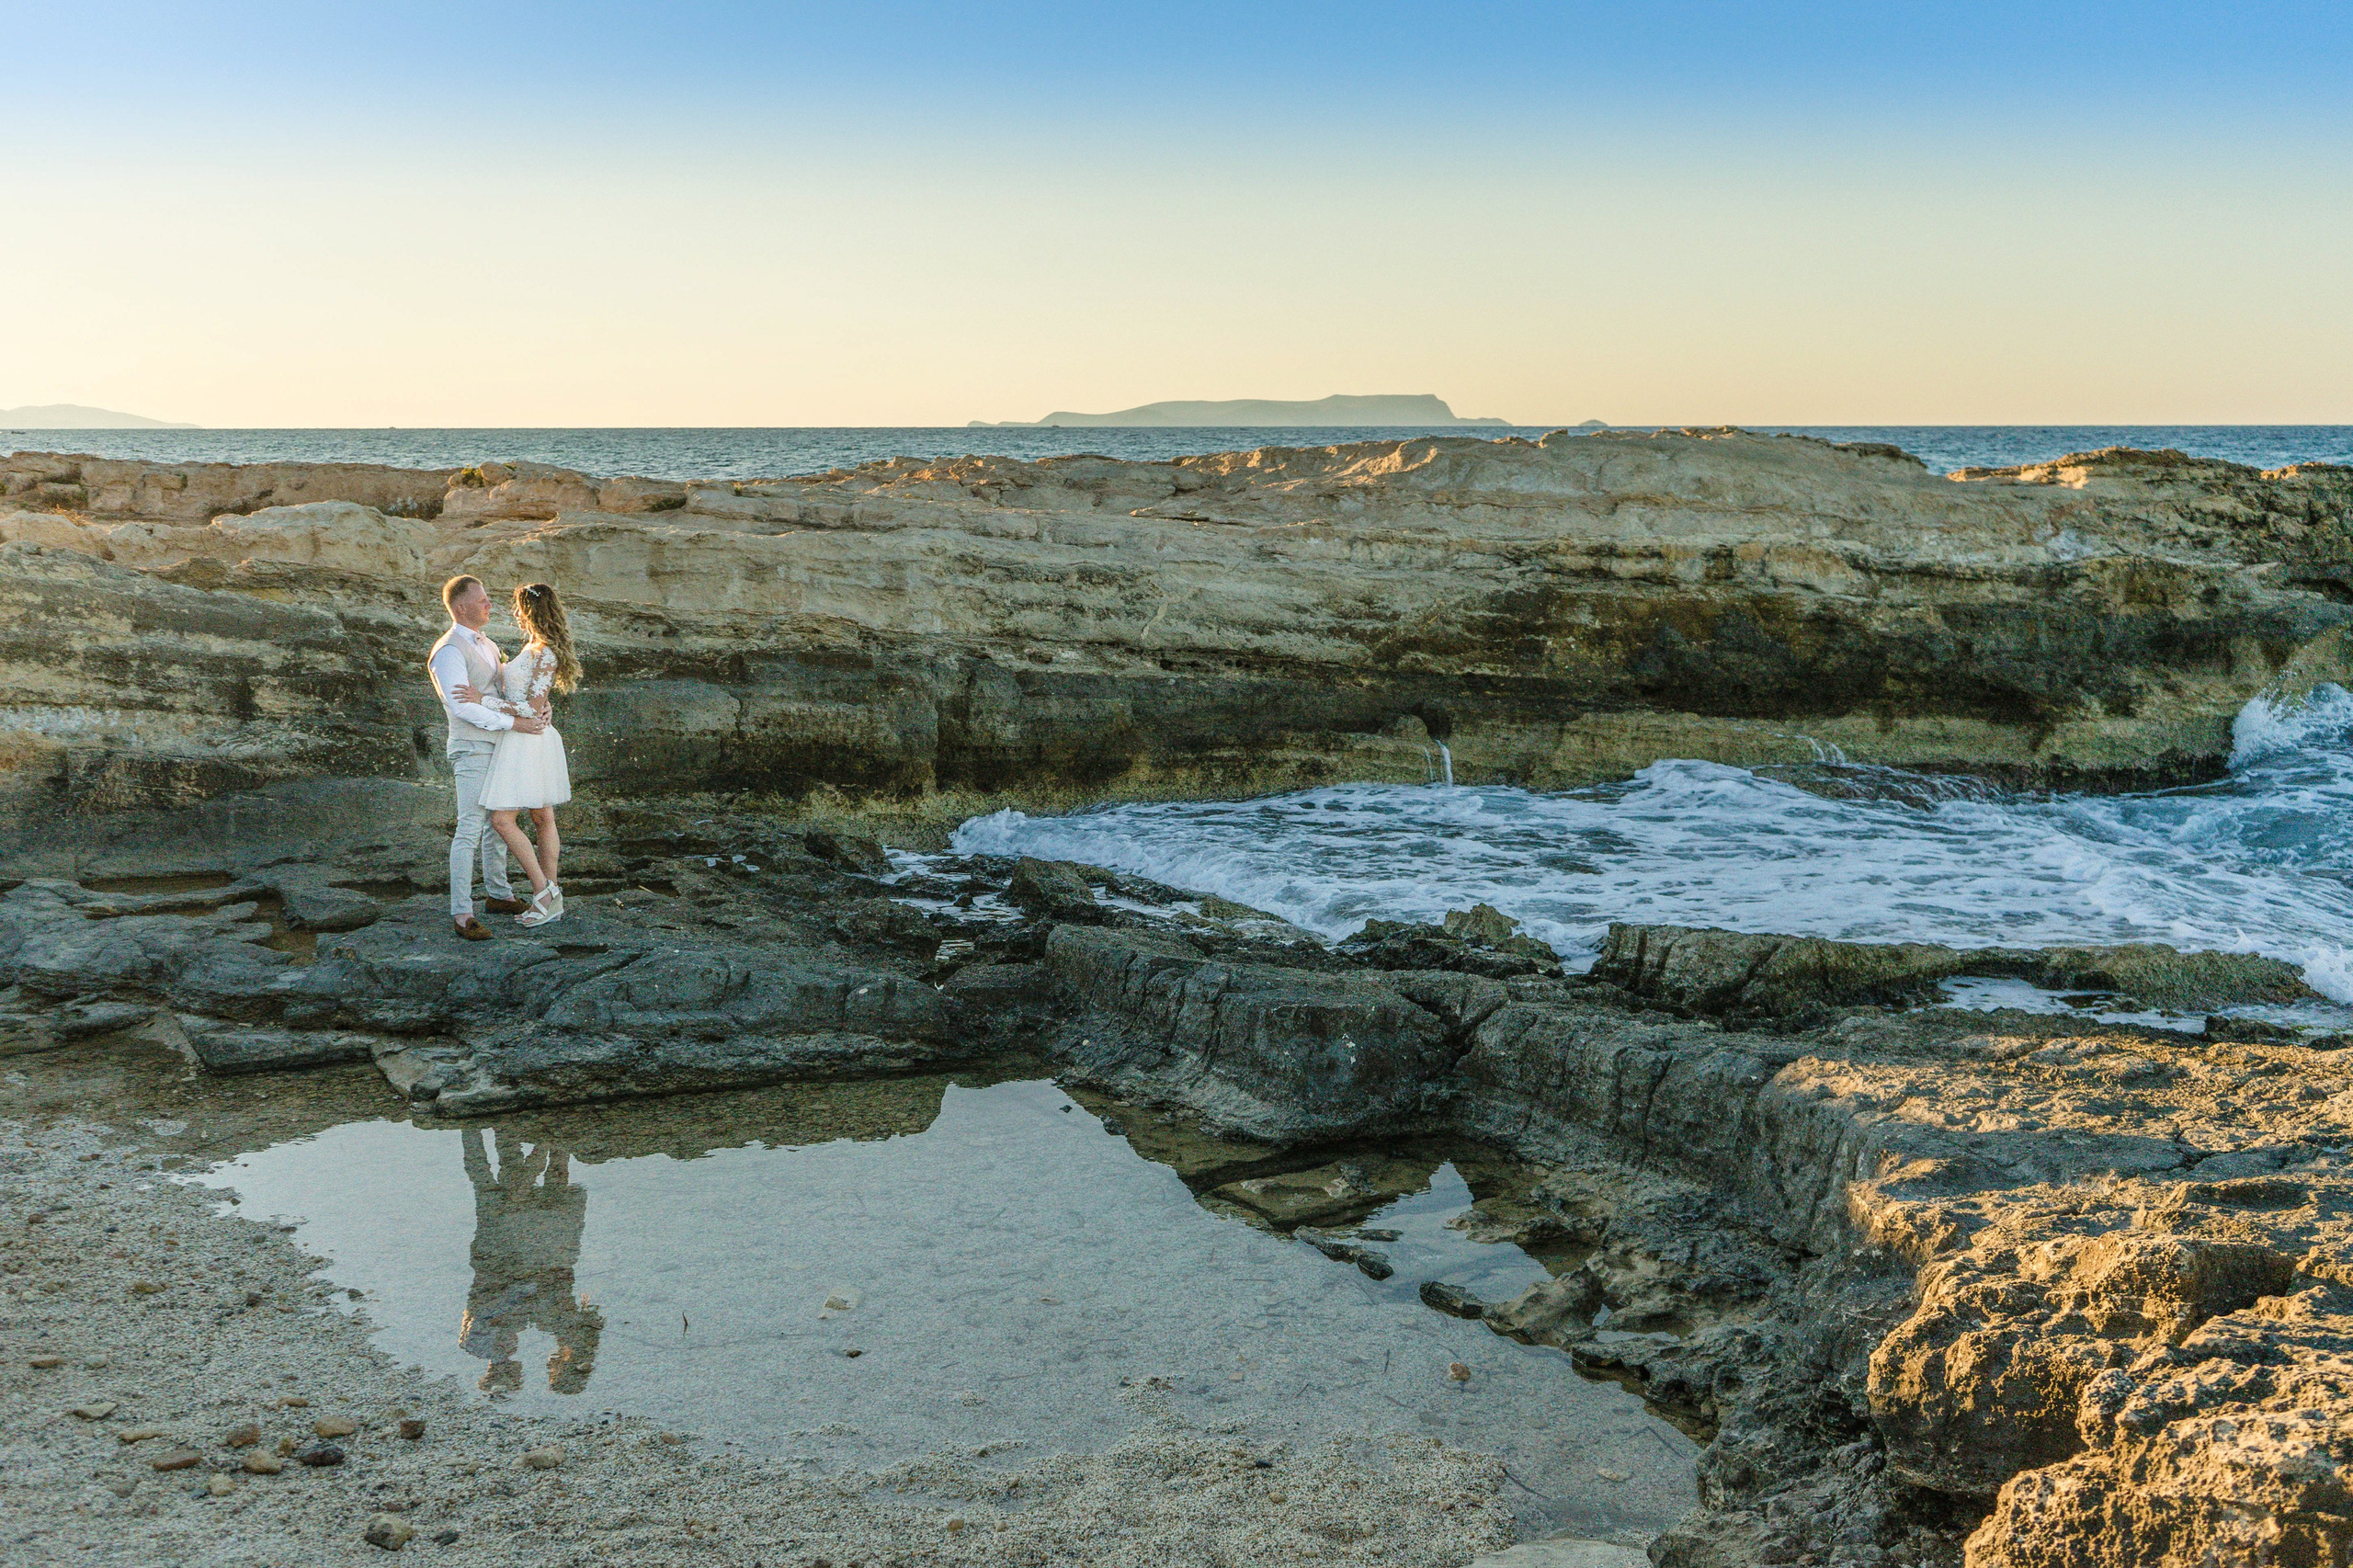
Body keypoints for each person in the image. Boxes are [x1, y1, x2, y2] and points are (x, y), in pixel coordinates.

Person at [426, 575, 549, 941]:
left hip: (501, 746)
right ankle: (462, 913)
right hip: (472, 748)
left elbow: (503, 691)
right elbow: (462, 707)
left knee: (498, 823)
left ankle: (499, 894)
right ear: (461, 607)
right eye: (482, 600)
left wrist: (541, 710)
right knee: (468, 827)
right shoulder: (448, 651)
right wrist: (516, 723)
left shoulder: (490, 646)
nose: (489, 605)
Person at [477, 582, 578, 928]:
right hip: (523, 737)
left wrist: (483, 700)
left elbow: (532, 706)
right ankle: (551, 896)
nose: (514, 613)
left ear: (530, 610)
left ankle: (544, 892)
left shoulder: (546, 652)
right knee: (541, 818)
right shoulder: (532, 647)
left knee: (503, 820)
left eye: (518, 607)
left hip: (529, 740)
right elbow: (536, 702)